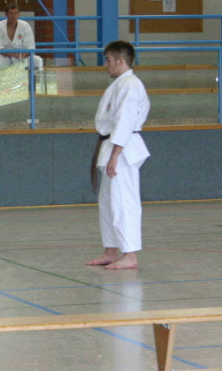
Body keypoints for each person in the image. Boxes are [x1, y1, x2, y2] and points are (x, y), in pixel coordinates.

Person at [86, 41, 150, 270]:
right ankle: (111, 251)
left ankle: (130, 254)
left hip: (122, 149)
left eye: (109, 60)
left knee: (124, 203)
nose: (106, 64)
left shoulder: (131, 85)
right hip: (111, 146)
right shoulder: (120, 84)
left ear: (120, 61)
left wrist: (115, 154)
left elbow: (126, 120)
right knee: (108, 203)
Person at [0, 3, 43, 92]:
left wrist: (24, 55)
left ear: (19, 14)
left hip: (22, 57)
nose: (13, 16)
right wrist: (8, 53)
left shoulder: (25, 26)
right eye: (11, 13)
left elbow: (30, 46)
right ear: (6, 14)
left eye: (16, 13)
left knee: (37, 60)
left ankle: (36, 91)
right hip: (5, 57)